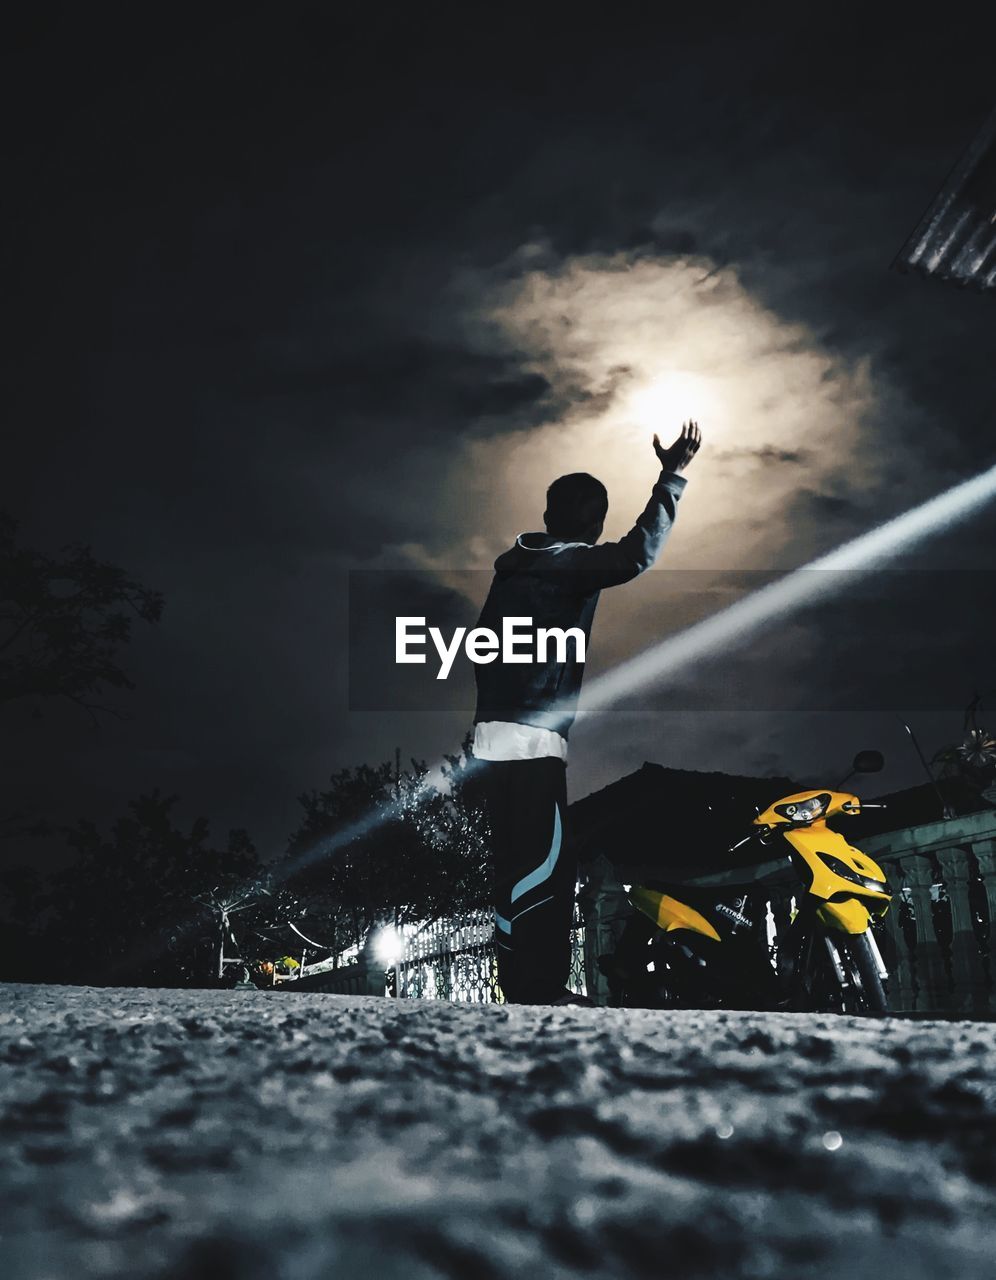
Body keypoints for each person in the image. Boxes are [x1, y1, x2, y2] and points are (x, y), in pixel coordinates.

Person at [472, 422, 702, 1005]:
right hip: (531, 739)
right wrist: (671, 478)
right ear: (590, 520)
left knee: (515, 861)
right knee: (549, 865)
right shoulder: (567, 562)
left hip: (494, 736)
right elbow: (633, 557)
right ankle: (539, 987)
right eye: (598, 518)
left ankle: (519, 982)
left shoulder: (513, 571)